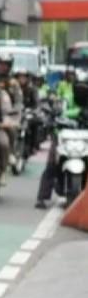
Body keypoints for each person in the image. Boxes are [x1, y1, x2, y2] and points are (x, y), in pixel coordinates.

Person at [36, 78, 88, 208]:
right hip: (64, 134)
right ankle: (42, 197)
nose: (82, 90)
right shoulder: (67, 98)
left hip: (85, 135)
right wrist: (55, 118)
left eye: (85, 88)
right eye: (79, 87)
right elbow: (60, 112)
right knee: (52, 164)